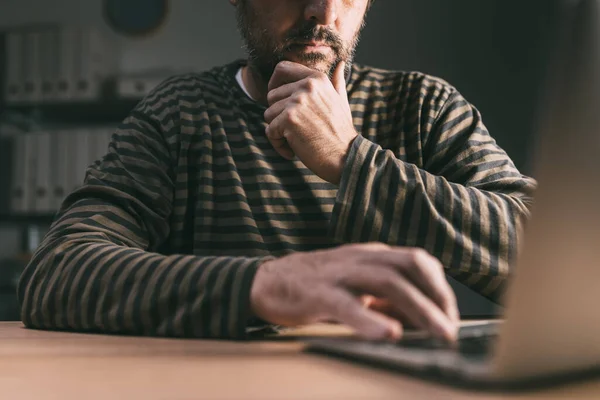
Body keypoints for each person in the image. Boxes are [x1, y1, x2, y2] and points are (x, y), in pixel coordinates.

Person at [18, 0, 536, 342]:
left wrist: (350, 159)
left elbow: (561, 260)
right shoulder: (179, 114)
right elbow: (56, 273)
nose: (323, 10)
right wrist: (265, 285)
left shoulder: (424, 106)